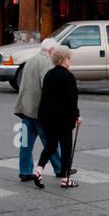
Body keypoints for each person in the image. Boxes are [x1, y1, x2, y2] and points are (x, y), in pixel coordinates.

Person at [13, 38, 66, 182]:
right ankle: (61, 169)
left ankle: (24, 171)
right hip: (40, 111)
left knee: (25, 144)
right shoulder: (47, 62)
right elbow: (47, 86)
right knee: (51, 141)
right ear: (51, 50)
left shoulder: (31, 60)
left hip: (25, 109)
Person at [35, 46, 81, 188]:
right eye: (69, 58)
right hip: (63, 119)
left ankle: (39, 170)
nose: (70, 61)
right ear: (63, 59)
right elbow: (71, 100)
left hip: (47, 117)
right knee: (66, 148)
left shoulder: (49, 74)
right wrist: (77, 116)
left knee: (51, 145)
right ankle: (65, 179)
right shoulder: (68, 76)